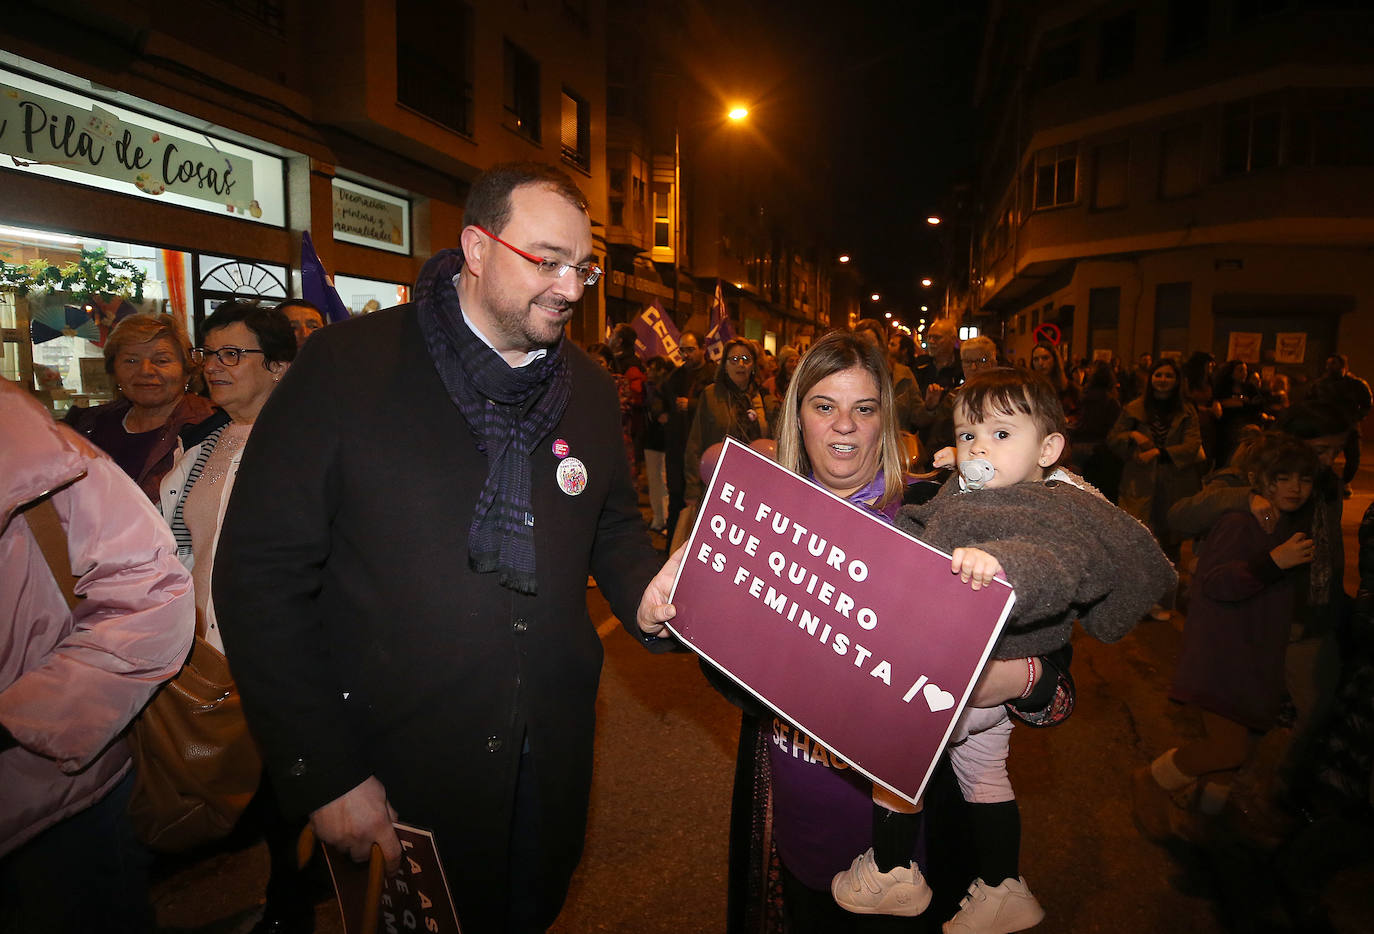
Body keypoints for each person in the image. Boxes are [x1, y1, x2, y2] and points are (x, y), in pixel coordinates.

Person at [211, 162, 682, 933]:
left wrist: (645, 596)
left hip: (549, 760)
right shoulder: (345, 369)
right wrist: (325, 773)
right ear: (475, 245)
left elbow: (613, 526)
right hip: (397, 769)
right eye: (546, 261)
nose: (569, 287)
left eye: (581, 267)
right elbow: (260, 578)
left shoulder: (590, 390)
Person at [832, 367, 1174, 933]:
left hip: (976, 670)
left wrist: (1003, 568)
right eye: (969, 435)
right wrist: (953, 467)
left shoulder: (1054, 509)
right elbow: (951, 509)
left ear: (1050, 449)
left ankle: (893, 873)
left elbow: (1060, 566)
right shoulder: (982, 489)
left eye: (1000, 435)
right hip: (981, 682)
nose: (979, 448)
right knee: (986, 778)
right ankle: (1000, 887)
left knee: (894, 765)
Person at [1, 378, 195, 934]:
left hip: (56, 790)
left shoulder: (53, 459)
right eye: (130, 359)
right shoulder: (97, 428)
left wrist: (20, 718)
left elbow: (150, 593)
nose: (146, 370)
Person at [159, 302, 304, 932]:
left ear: (277, 367)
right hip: (205, 644)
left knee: (286, 790)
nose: (213, 367)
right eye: (207, 354)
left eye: (231, 355)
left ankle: (290, 908)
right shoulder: (203, 443)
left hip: (282, 647)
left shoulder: (307, 443)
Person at [1133, 433, 1321, 843]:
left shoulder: (1283, 523)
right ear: (1261, 479)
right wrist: (1274, 562)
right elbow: (1216, 583)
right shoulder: (1241, 522)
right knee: (1228, 748)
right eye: (1283, 477)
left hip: (1255, 656)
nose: (1294, 488)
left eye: (1304, 480)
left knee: (1239, 750)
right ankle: (1153, 780)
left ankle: (1204, 821)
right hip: (1224, 655)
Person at [64, 312, 218, 501]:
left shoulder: (211, 427)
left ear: (187, 370)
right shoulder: (87, 425)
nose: (145, 371)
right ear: (114, 371)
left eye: (161, 361)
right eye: (131, 361)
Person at [1109, 357, 1202, 619]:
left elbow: (1192, 446)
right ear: (1151, 379)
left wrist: (1159, 453)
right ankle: (1138, 601)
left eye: (1168, 375)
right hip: (1139, 483)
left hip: (1174, 484)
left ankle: (1164, 601)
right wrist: (1132, 436)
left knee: (1170, 542)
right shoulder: (1134, 408)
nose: (1163, 380)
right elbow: (1113, 440)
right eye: (1158, 375)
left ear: (1177, 380)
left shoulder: (1187, 411)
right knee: (1138, 542)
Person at [683, 336, 770, 507]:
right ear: (724, 365)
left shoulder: (764, 398)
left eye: (746, 359)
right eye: (734, 359)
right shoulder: (711, 395)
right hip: (719, 485)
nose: (740, 364)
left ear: (753, 366)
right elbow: (695, 444)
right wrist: (692, 489)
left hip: (756, 488)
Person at [663, 330, 716, 542]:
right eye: (682, 350)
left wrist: (691, 405)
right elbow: (660, 398)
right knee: (677, 500)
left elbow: (715, 407)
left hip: (702, 449)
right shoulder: (674, 376)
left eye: (691, 350)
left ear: (703, 349)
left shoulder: (713, 375)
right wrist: (660, 411)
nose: (686, 355)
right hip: (678, 447)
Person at [1308, 353, 1371, 497]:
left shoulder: (1357, 385)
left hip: (1349, 426)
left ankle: (1345, 482)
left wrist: (1357, 417)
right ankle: (1321, 482)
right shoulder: (1320, 385)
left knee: (1353, 457)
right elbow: (1310, 402)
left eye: (1334, 364)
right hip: (1326, 427)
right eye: (1328, 364)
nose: (1330, 367)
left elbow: (1367, 403)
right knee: (1322, 456)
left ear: (1344, 367)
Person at [643, 355, 674, 534]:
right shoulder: (648, 388)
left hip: (664, 442)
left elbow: (664, 415)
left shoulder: (666, 388)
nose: (650, 373)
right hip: (651, 440)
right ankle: (658, 518)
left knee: (663, 481)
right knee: (655, 481)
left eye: (653, 369)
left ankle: (666, 519)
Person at [1028, 341, 1080, 435]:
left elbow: (1080, 415)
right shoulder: (1028, 387)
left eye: (1045, 358)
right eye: (1036, 359)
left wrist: (1067, 419)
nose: (1040, 363)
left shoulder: (1070, 388)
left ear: (1054, 360)